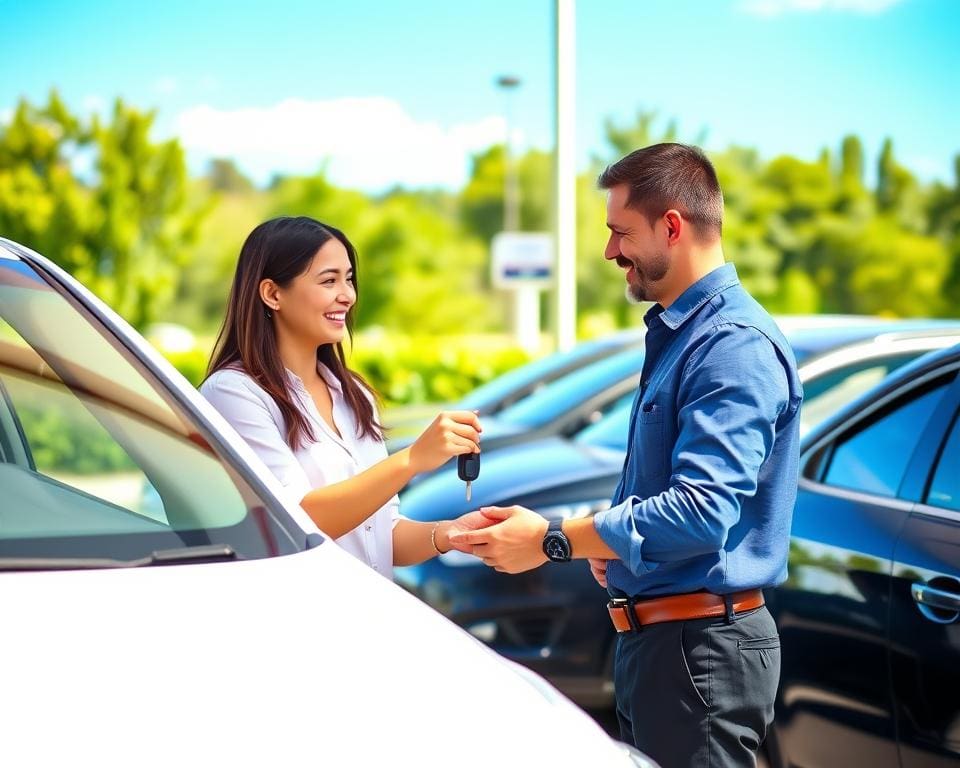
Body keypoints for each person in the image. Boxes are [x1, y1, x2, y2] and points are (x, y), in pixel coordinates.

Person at [450, 144, 803, 768]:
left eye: (621, 232)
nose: (611, 251)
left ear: (672, 225)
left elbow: (701, 512)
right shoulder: (685, 332)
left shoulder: (731, 347)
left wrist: (556, 539)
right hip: (671, 647)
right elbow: (664, 489)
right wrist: (606, 545)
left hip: (700, 653)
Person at [202, 216, 489, 577]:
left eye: (349, 279)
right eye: (329, 280)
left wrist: (447, 534)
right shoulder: (234, 393)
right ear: (273, 294)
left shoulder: (354, 397)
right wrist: (412, 459)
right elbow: (297, 521)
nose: (348, 295)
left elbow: (383, 534)